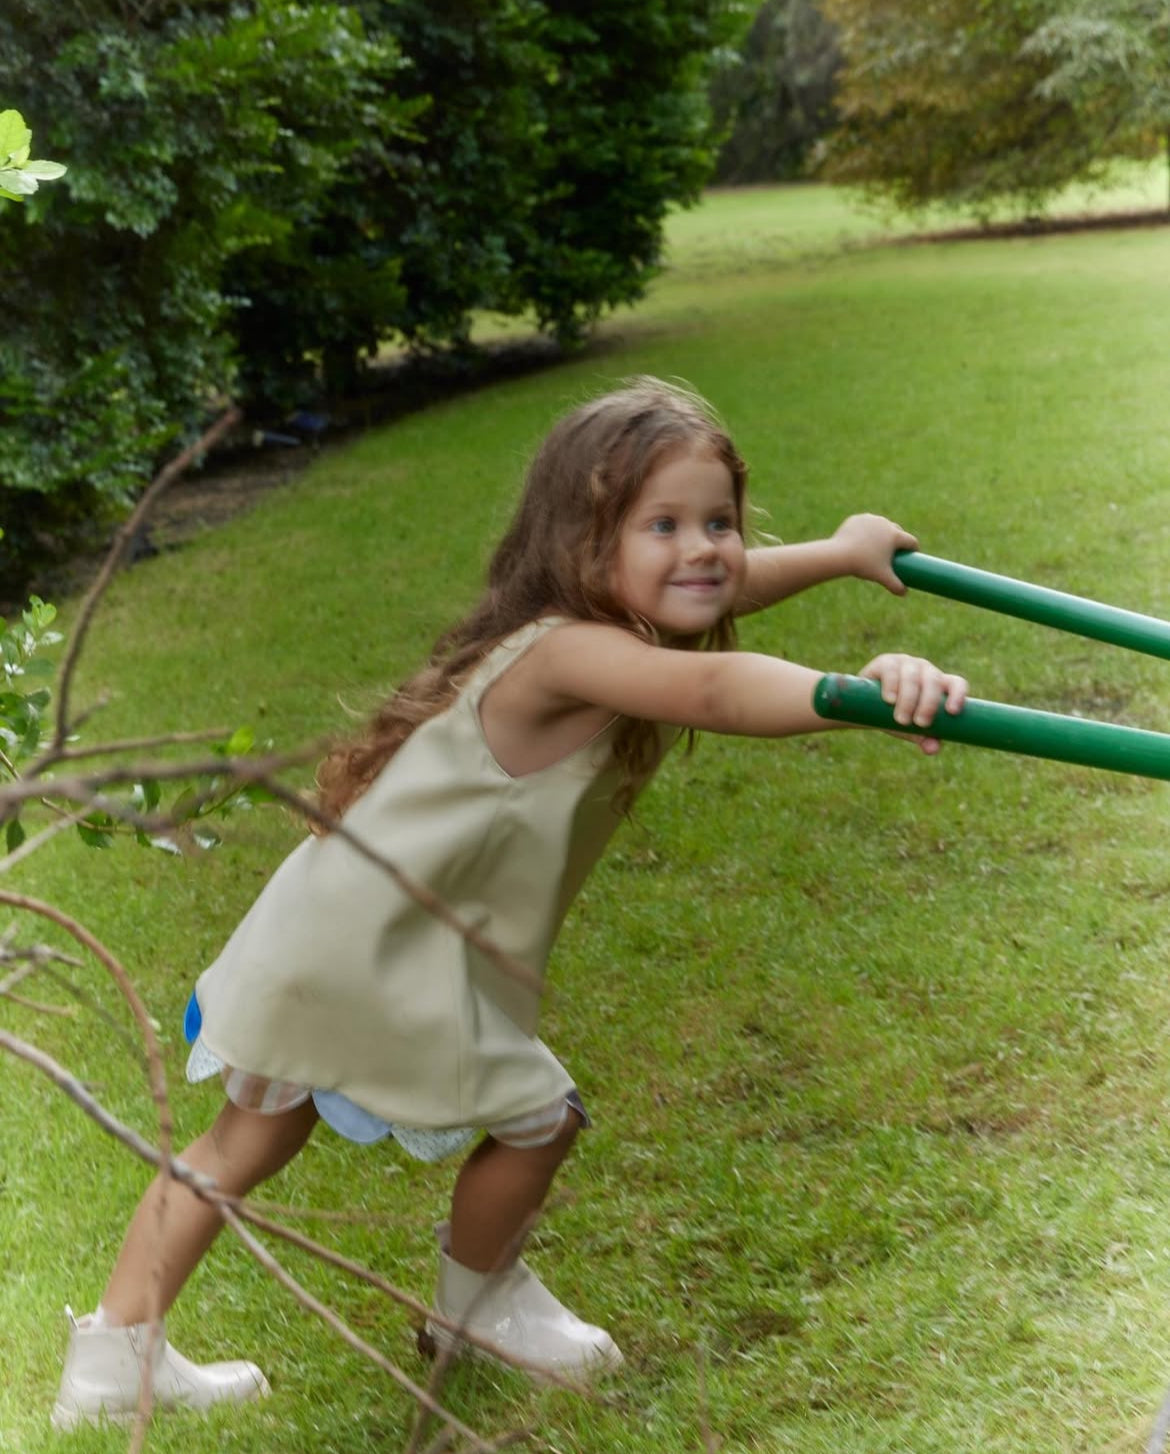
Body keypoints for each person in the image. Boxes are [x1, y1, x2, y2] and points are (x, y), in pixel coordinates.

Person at [52, 376, 967, 1428]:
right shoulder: (568, 651)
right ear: (585, 544)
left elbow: (720, 587)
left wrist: (842, 550)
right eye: (662, 524)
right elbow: (715, 688)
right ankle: (475, 1306)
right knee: (538, 1118)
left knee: (242, 1140)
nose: (706, 547)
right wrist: (859, 693)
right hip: (372, 949)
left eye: (718, 519)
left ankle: (114, 1352)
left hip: (339, 927)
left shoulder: (593, 617)